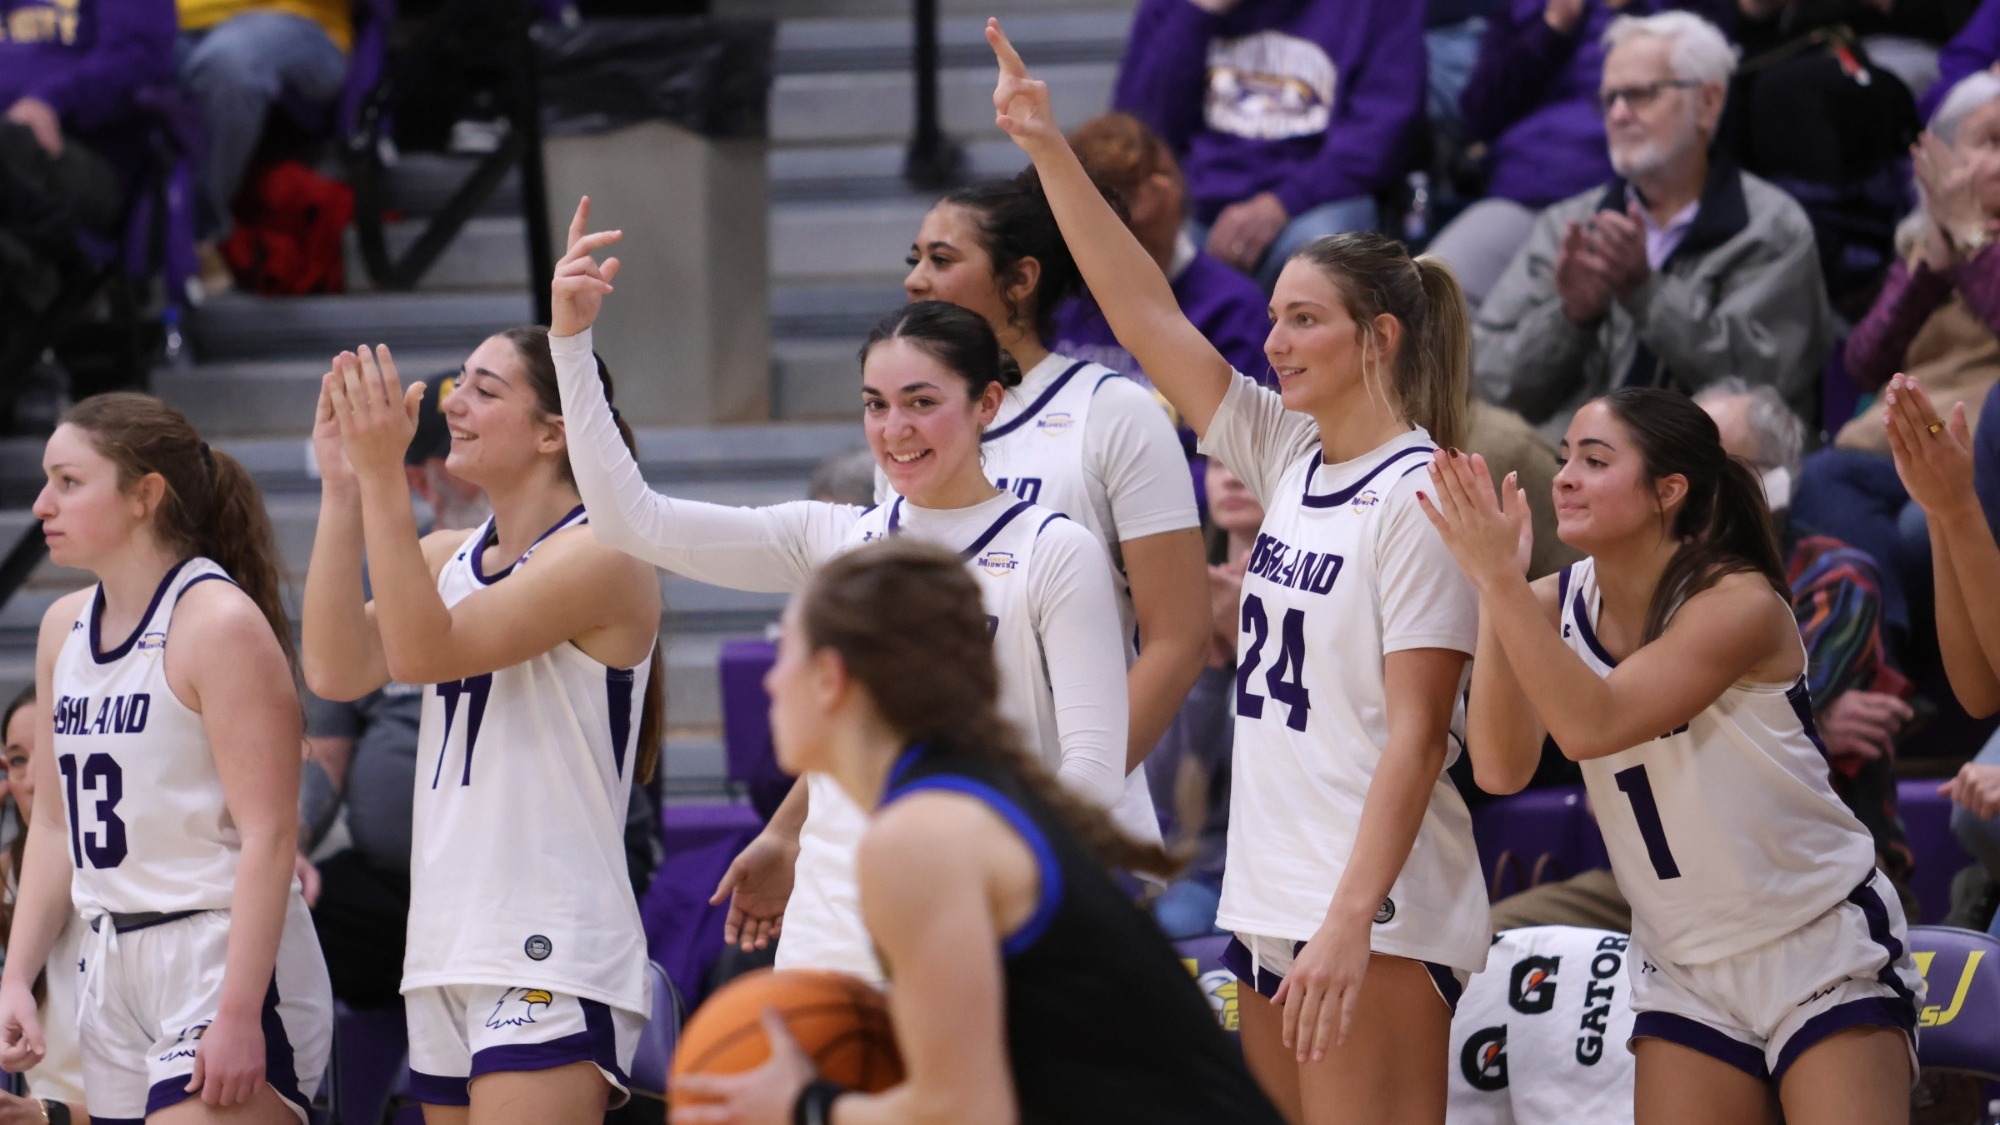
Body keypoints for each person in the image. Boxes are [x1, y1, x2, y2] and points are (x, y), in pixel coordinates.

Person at [993, 22, 1489, 1123]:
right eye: (1269, 318)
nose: (1272, 341)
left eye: (1301, 320)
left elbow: (1417, 737)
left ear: (1380, 340)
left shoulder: (1420, 495)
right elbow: (1146, 311)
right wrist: (1048, 152)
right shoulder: (1286, 452)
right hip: (1268, 894)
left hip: (1378, 908)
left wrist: (1351, 918)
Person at [550, 198, 1131, 986]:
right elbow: (631, 520)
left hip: (977, 925)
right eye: (876, 405)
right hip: (831, 930)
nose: (896, 429)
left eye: (923, 402)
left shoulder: (1056, 552)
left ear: (987, 404)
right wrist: (572, 344)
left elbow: (1093, 768)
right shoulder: (836, 537)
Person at [1423, 387, 1921, 1121]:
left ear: (1669, 490)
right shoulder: (1542, 603)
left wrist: (1500, 582)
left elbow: (1596, 723)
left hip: (1814, 940)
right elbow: (1501, 768)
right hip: (1682, 960)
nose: (1563, 478)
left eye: (1594, 461)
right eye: (1563, 460)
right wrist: (1499, 592)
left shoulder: (1737, 602)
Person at [666, 541, 1285, 1125]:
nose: (769, 682)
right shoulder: (963, 794)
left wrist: (806, 1105)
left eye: (784, 657)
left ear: (830, 677)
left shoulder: (921, 838)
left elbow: (966, 1113)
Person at [300, 329, 666, 1122]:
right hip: (446, 936)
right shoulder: (444, 555)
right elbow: (333, 668)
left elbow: (425, 651)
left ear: (553, 431)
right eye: (458, 381)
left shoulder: (603, 552)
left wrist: (383, 479)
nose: (452, 404)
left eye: (484, 389)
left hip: (550, 937)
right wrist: (344, 489)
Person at [0, 393, 333, 1124]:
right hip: (110, 957)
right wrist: (18, 976)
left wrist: (240, 1010)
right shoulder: (62, 628)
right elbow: (54, 826)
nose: (41, 503)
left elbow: (271, 834)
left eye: (68, 481)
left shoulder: (216, 622)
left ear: (145, 494)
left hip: (218, 950)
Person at [899, 172, 1208, 835]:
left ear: (1020, 279)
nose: (915, 280)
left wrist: (1066, 809)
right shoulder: (907, 429)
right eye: (914, 259)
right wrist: (789, 828)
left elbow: (1179, 639)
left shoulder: (1114, 412)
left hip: (1075, 834)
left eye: (941, 259)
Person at [1472, 11, 1835, 440]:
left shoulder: (1772, 229)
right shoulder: (1569, 226)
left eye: (1641, 94)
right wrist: (1571, 320)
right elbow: (1488, 380)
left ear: (1708, 103)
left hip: (1704, 479)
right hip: (1566, 472)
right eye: (1609, 99)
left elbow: (1766, 386)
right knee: (1471, 440)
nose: (1619, 114)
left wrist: (1648, 296)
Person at [1792, 71, 2000, 634]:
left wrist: (1976, 242)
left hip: (1980, 445)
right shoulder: (1921, 243)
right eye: (1991, 143)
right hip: (1901, 442)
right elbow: (1863, 362)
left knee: (1918, 530)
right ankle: (1877, 658)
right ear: (1943, 162)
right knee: (1821, 479)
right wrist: (1930, 269)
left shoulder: (1980, 244)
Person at [1110, 0, 1424, 289]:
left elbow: (1381, 134)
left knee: (1321, 256)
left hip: (1314, 201)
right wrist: (1197, 14)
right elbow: (1138, 133)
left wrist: (1285, 202)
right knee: (1129, 240)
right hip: (1194, 198)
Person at [0, 0, 175, 408]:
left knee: (9, 144)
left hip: (79, 153)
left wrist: (50, 99)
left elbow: (142, 57)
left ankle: (42, 280)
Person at [1048, 112, 1273, 390]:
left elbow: (1246, 430)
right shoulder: (1060, 301)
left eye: (1131, 227)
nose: (1117, 248)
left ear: (1166, 197)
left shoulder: (1233, 308)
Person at [1145, 458, 1262, 941]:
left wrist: (1252, 650)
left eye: (1247, 462)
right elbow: (1167, 786)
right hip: (1207, 867)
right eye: (1217, 462)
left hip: (1294, 868)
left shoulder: (1320, 599)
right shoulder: (1187, 596)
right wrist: (1214, 669)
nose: (1231, 476)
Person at [175, 0, 351, 292]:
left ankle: (197, 240)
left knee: (228, 63)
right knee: (120, 61)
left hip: (296, 20)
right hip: (177, 21)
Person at [0, 689, 89, 1125]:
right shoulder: (7, 879)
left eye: (55, 750)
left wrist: (47, 1116)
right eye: (17, 760)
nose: (33, 781)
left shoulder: (150, 892)